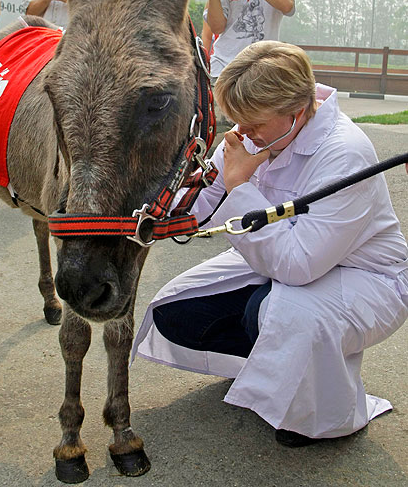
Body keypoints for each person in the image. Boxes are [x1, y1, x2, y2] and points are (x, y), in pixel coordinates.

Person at [132, 40, 408, 447]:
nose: (241, 133)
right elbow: (198, 203)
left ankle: (322, 414)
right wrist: (153, 204)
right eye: (235, 121)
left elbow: (298, 266)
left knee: (277, 314)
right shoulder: (260, 131)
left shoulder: (345, 154)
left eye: (252, 124)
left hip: (365, 280)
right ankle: (279, 369)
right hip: (282, 260)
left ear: (296, 113)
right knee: (176, 314)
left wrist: (241, 184)